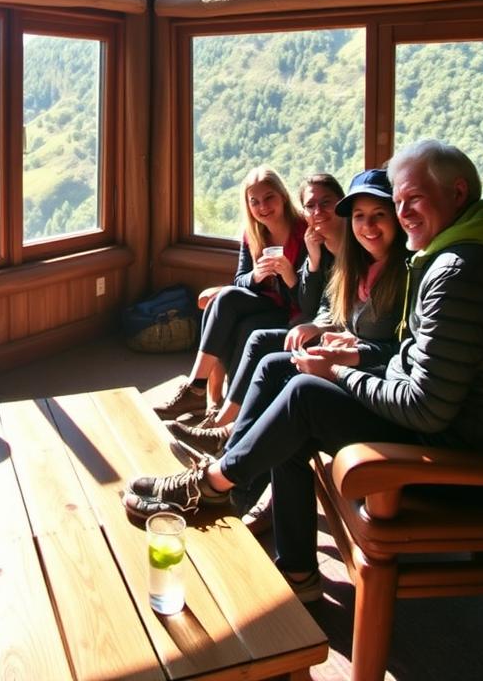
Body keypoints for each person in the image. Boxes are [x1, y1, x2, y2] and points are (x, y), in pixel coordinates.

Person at [125, 140, 483, 604]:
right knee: (294, 390)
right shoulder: (464, 251)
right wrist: (351, 358)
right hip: (460, 429)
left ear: (457, 192)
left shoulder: (460, 270)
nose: (403, 212)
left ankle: (213, 488)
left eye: (413, 199)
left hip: (470, 465)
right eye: (400, 201)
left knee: (304, 396)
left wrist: (339, 373)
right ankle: (287, 559)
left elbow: (426, 408)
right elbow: (419, 366)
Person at [167, 169, 406, 533]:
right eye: (312, 204)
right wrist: (280, 274)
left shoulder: (356, 249)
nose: (319, 211)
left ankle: (229, 447)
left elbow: (311, 306)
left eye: (326, 203)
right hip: (324, 334)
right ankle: (218, 425)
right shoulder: (328, 247)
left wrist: (334, 333)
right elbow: (329, 304)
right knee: (242, 319)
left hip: (344, 357)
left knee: (271, 355)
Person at [153, 165, 306, 421]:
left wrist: (289, 275)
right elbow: (240, 280)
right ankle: (197, 388)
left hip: (293, 309)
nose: (263, 207)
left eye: (269, 197)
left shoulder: (302, 231)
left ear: (283, 196)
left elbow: (308, 295)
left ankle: (229, 410)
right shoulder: (253, 233)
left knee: (248, 326)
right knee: (224, 300)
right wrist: (257, 275)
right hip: (266, 301)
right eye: (254, 201)